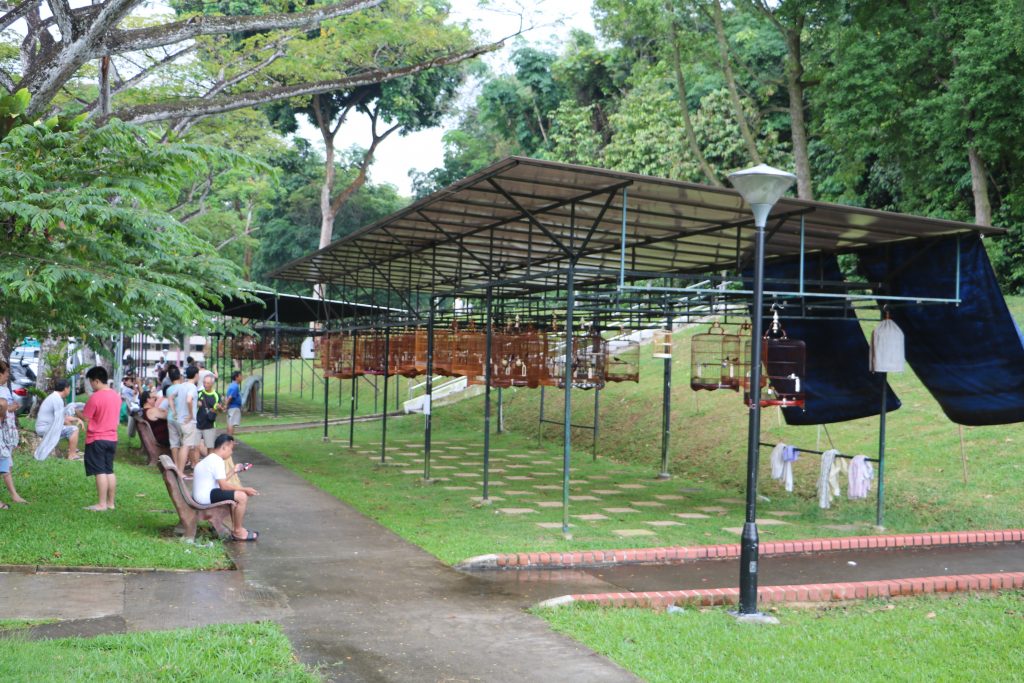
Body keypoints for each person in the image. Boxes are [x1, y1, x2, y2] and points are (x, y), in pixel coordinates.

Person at [192, 434, 258, 541]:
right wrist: (245, 489)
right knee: (241, 496)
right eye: (231, 449)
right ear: (224, 447)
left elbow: (220, 482)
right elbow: (223, 486)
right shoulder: (217, 461)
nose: (231, 452)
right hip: (205, 496)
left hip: (204, 494)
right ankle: (238, 531)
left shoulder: (211, 458)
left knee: (237, 495)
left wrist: (233, 471)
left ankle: (238, 528)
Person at [81, 366, 121, 511]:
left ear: (96, 381)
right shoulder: (116, 395)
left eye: (91, 382)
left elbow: (86, 418)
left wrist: (76, 412)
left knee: (100, 471)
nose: (91, 385)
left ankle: (101, 504)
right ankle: (111, 503)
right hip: (112, 438)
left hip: (97, 438)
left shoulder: (95, 398)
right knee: (109, 470)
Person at [0, 360, 27, 508]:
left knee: (5, 463)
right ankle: (14, 495)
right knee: (4, 463)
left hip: (7, 431)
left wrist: (12, 407)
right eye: (6, 373)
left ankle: (14, 494)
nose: (8, 376)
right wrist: (8, 408)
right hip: (1, 430)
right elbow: (2, 408)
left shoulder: (4, 389)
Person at [34, 379, 82, 461]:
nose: (69, 390)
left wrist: (75, 419)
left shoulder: (54, 397)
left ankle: (72, 449)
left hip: (44, 427)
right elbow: (62, 419)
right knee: (74, 429)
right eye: (69, 388)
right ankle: (72, 455)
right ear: (66, 389)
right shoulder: (57, 399)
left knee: (69, 427)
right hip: (45, 429)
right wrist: (76, 420)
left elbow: (62, 417)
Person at [167, 365, 200, 472]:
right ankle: (180, 472)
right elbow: (189, 400)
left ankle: (185, 469)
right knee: (186, 446)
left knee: (187, 445)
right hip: (188, 422)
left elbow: (171, 397)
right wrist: (191, 414)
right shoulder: (192, 387)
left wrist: (174, 411)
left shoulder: (181, 386)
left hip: (180, 421)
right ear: (196, 375)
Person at [196, 374, 221, 457]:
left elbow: (219, 411)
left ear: (212, 384)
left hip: (210, 425)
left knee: (210, 447)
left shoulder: (216, 395)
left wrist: (218, 408)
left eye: (207, 383)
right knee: (195, 447)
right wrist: (197, 404)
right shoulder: (199, 393)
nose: (205, 385)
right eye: (204, 382)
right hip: (198, 424)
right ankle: (195, 465)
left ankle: (209, 465)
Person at [225, 370, 242, 436]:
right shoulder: (235, 386)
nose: (242, 377)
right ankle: (230, 440)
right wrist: (226, 406)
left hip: (232, 407)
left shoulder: (232, 385)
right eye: (240, 376)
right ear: (237, 377)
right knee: (231, 424)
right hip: (233, 408)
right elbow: (230, 397)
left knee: (230, 423)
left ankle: (229, 439)